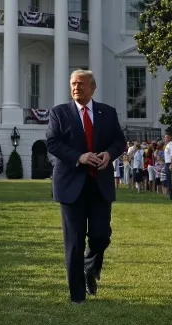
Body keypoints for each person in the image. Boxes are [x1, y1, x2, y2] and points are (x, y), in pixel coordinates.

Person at [46, 69, 126, 304]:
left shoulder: (107, 113)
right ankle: (77, 296)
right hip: (71, 184)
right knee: (74, 242)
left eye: (81, 84)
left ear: (93, 87)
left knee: (101, 236)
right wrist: (78, 157)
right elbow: (52, 143)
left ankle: (90, 268)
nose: (76, 87)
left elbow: (119, 141)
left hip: (99, 183)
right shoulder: (59, 113)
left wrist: (109, 154)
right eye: (73, 83)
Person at [163, 130, 172, 200]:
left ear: (170, 137)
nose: (165, 138)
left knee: (171, 180)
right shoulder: (167, 145)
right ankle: (171, 196)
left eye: (166, 137)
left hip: (170, 163)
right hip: (167, 163)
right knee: (168, 180)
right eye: (165, 137)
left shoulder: (171, 145)